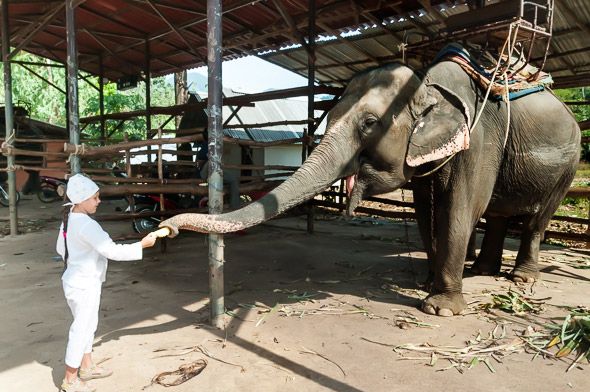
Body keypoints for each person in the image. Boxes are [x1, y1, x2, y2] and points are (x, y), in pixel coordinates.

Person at [56, 174, 157, 392]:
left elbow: (60, 249)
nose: (98, 201)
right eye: (95, 198)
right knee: (81, 328)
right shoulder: (86, 225)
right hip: (84, 283)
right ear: (81, 200)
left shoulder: (70, 217)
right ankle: (70, 380)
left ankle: (87, 366)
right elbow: (112, 251)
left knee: (88, 325)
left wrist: (80, 259)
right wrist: (142, 245)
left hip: (76, 280)